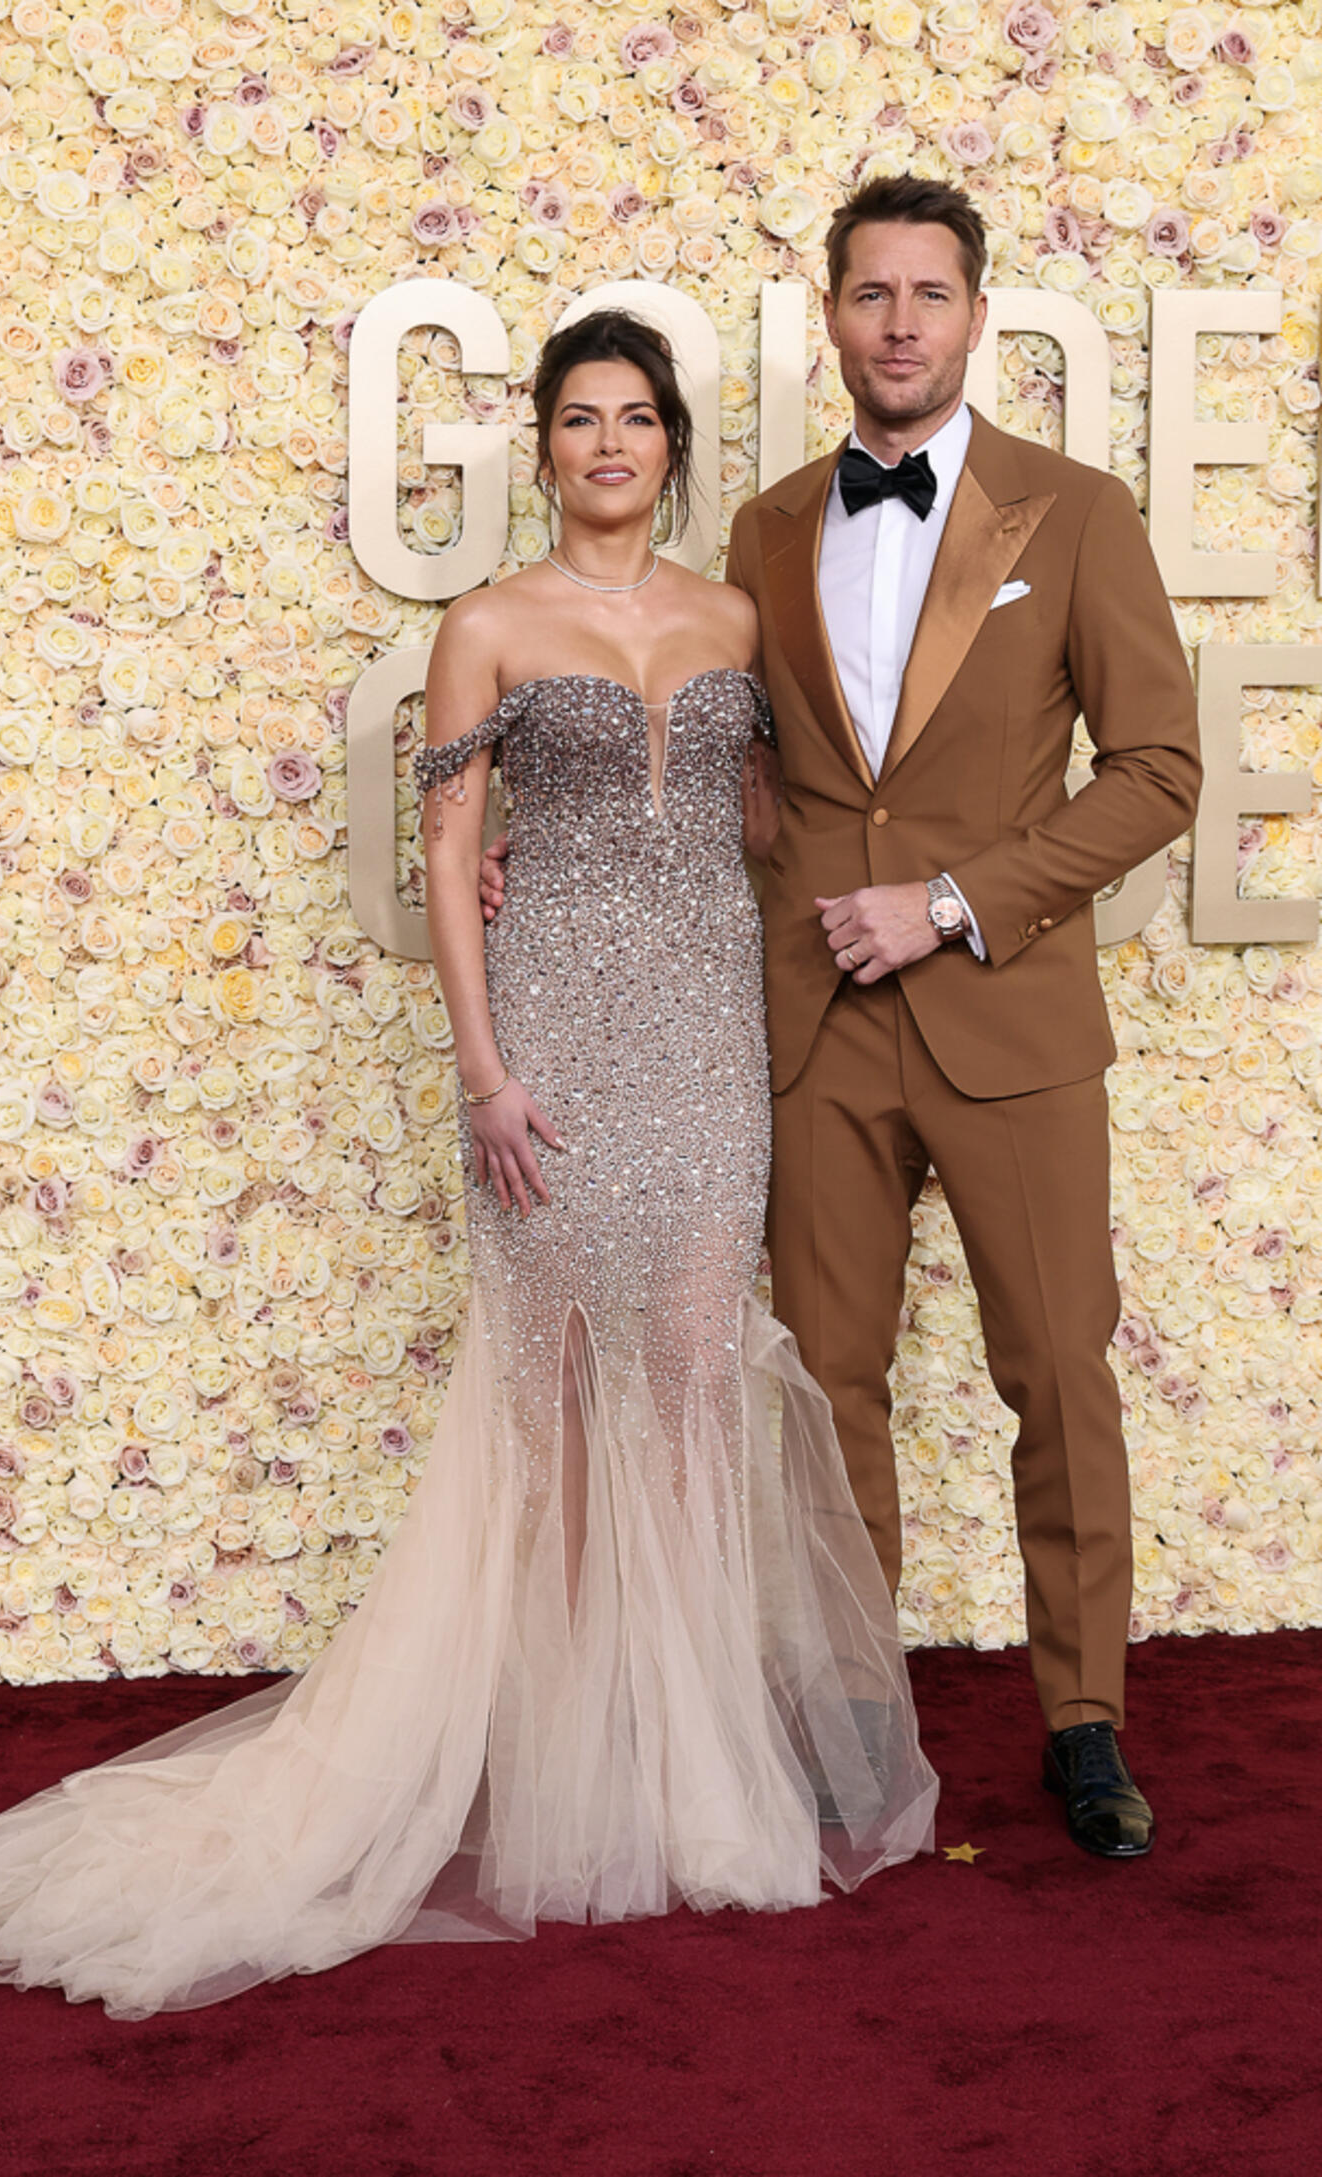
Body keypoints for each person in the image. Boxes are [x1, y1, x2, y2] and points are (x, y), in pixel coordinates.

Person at [0, 311, 935, 2021]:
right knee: (565, 1416)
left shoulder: (733, 614)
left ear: (669, 445)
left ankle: (695, 1772)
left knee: (703, 1385)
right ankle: (584, 1773)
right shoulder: (484, 621)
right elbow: (442, 845)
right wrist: (484, 1070)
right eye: (578, 419)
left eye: (636, 419)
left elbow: (763, 821)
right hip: (555, 1053)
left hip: (710, 1053)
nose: (607, 447)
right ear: (544, 444)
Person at [486, 180, 1202, 1860]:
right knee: (825, 1384)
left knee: (1058, 1372)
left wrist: (951, 901)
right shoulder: (768, 530)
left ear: (974, 316)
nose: (899, 321)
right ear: (832, 318)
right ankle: (853, 1718)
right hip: (809, 1027)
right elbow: (752, 778)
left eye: (929, 294)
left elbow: (1161, 770)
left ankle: (1083, 1719)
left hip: (1007, 1014)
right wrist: (557, 832)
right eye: (870, 293)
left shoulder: (1077, 514)